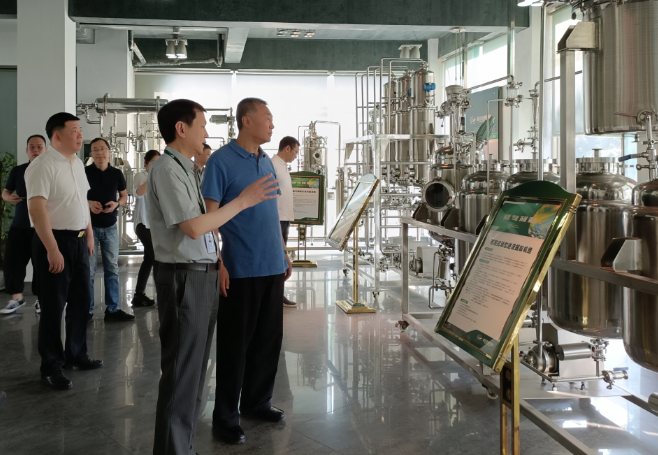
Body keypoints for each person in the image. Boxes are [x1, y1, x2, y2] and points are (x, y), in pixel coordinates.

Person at [149, 99, 278, 455]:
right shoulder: (167, 169)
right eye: (202, 125)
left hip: (201, 271)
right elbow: (194, 227)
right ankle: (175, 448)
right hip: (184, 275)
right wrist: (243, 201)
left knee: (193, 372)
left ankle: (183, 445)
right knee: (182, 372)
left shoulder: (188, 168)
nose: (206, 132)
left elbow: (204, 229)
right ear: (181, 128)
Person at [203, 98, 292, 445]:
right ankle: (226, 416)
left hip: (272, 264)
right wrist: (219, 262)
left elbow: (271, 213)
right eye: (267, 118)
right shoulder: (220, 161)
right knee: (234, 346)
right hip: (240, 267)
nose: (272, 125)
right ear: (247, 120)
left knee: (268, 341)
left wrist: (283, 253)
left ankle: (258, 402)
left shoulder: (265, 160)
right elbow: (209, 217)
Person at [26, 112, 103, 390]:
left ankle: (76, 354)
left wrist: (89, 235)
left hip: (79, 241)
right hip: (54, 241)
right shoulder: (42, 165)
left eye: (80, 130)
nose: (80, 135)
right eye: (74, 130)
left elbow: (82, 201)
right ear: (57, 135)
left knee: (82, 302)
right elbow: (36, 209)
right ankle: (51, 366)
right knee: (53, 306)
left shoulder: (78, 163)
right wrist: (52, 249)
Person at [85, 138, 133, 322]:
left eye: (102, 149)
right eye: (95, 150)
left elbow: (124, 196)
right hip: (89, 227)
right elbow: (75, 197)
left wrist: (116, 204)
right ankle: (87, 311)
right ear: (91, 153)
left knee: (112, 268)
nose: (99, 153)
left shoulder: (116, 174)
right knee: (89, 271)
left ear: (109, 151)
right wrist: (88, 203)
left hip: (110, 227)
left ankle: (112, 309)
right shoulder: (84, 173)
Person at [0, 135, 46, 315]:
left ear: (45, 150)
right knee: (13, 263)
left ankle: (41, 300)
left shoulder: (50, 170)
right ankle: (16, 298)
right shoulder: (18, 171)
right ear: (27, 150)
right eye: (32, 147)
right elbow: (5, 192)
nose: (35, 150)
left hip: (42, 226)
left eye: (39, 147)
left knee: (41, 264)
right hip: (20, 225)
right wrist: (8, 198)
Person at [272, 136, 300, 307]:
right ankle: (276, 295)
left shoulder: (283, 166)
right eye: (295, 152)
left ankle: (278, 293)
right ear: (287, 148)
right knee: (278, 258)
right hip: (278, 219)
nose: (296, 156)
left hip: (284, 218)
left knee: (281, 259)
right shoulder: (273, 164)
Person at [131, 149, 160, 307]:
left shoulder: (160, 177)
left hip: (155, 225)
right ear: (146, 163)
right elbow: (139, 193)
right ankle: (163, 294)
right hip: (143, 224)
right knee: (157, 258)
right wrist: (154, 176)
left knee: (148, 259)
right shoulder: (141, 176)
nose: (156, 166)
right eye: (153, 162)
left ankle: (139, 295)